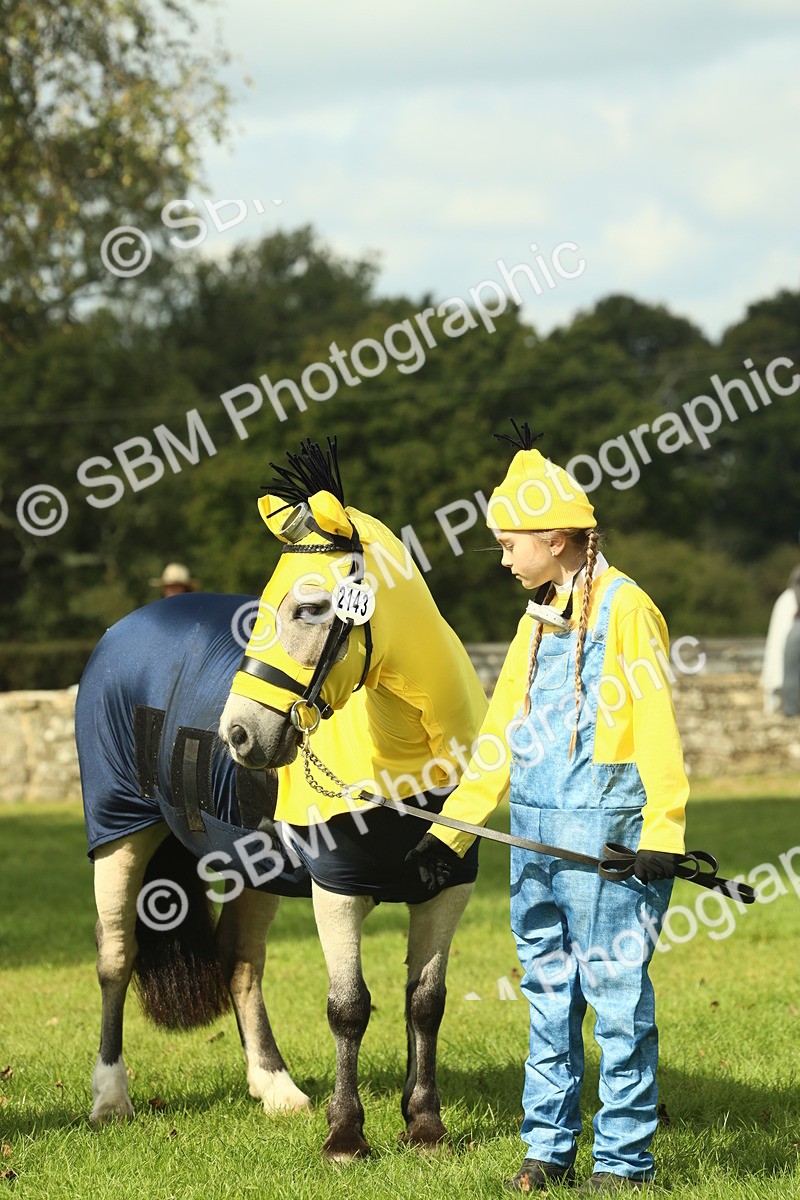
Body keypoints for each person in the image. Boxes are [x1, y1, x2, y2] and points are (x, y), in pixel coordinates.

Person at [406, 425, 689, 1194]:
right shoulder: (537, 616)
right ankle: (547, 1149)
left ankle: (626, 1163)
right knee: (547, 993)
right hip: (532, 837)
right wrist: (449, 832)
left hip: (608, 839)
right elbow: (501, 734)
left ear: (557, 537)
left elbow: (656, 720)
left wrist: (663, 828)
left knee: (617, 996)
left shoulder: (627, 609)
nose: (501, 556)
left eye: (508, 541)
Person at [761, 565, 800, 716]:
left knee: (789, 673)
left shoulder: (787, 598)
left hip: (794, 628)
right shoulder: (787, 599)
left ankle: (789, 711)